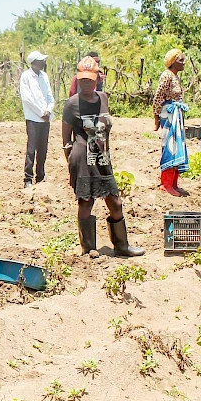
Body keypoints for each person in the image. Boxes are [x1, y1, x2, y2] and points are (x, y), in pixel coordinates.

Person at [62, 56, 145, 257]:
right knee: (86, 202)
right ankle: (89, 249)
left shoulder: (103, 98)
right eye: (82, 80)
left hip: (102, 157)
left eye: (90, 80)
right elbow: (66, 140)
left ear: (97, 78)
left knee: (114, 202)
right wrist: (71, 162)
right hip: (83, 158)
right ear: (77, 79)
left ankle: (122, 246)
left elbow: (105, 126)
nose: (86, 83)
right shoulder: (72, 104)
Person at [152, 49, 190, 197]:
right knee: (170, 147)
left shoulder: (175, 76)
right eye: (181, 60)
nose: (184, 63)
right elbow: (158, 97)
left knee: (177, 147)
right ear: (173, 62)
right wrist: (156, 118)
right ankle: (166, 184)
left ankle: (174, 183)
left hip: (176, 115)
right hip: (168, 115)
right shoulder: (166, 76)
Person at [19, 51, 55, 188]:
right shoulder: (26, 77)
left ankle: (40, 176)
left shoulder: (44, 76)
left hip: (46, 118)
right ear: (33, 62)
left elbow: (49, 96)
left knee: (43, 148)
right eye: (40, 60)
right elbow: (27, 99)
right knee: (31, 148)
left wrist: (48, 110)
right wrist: (41, 112)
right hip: (33, 118)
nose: (43, 62)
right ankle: (28, 178)